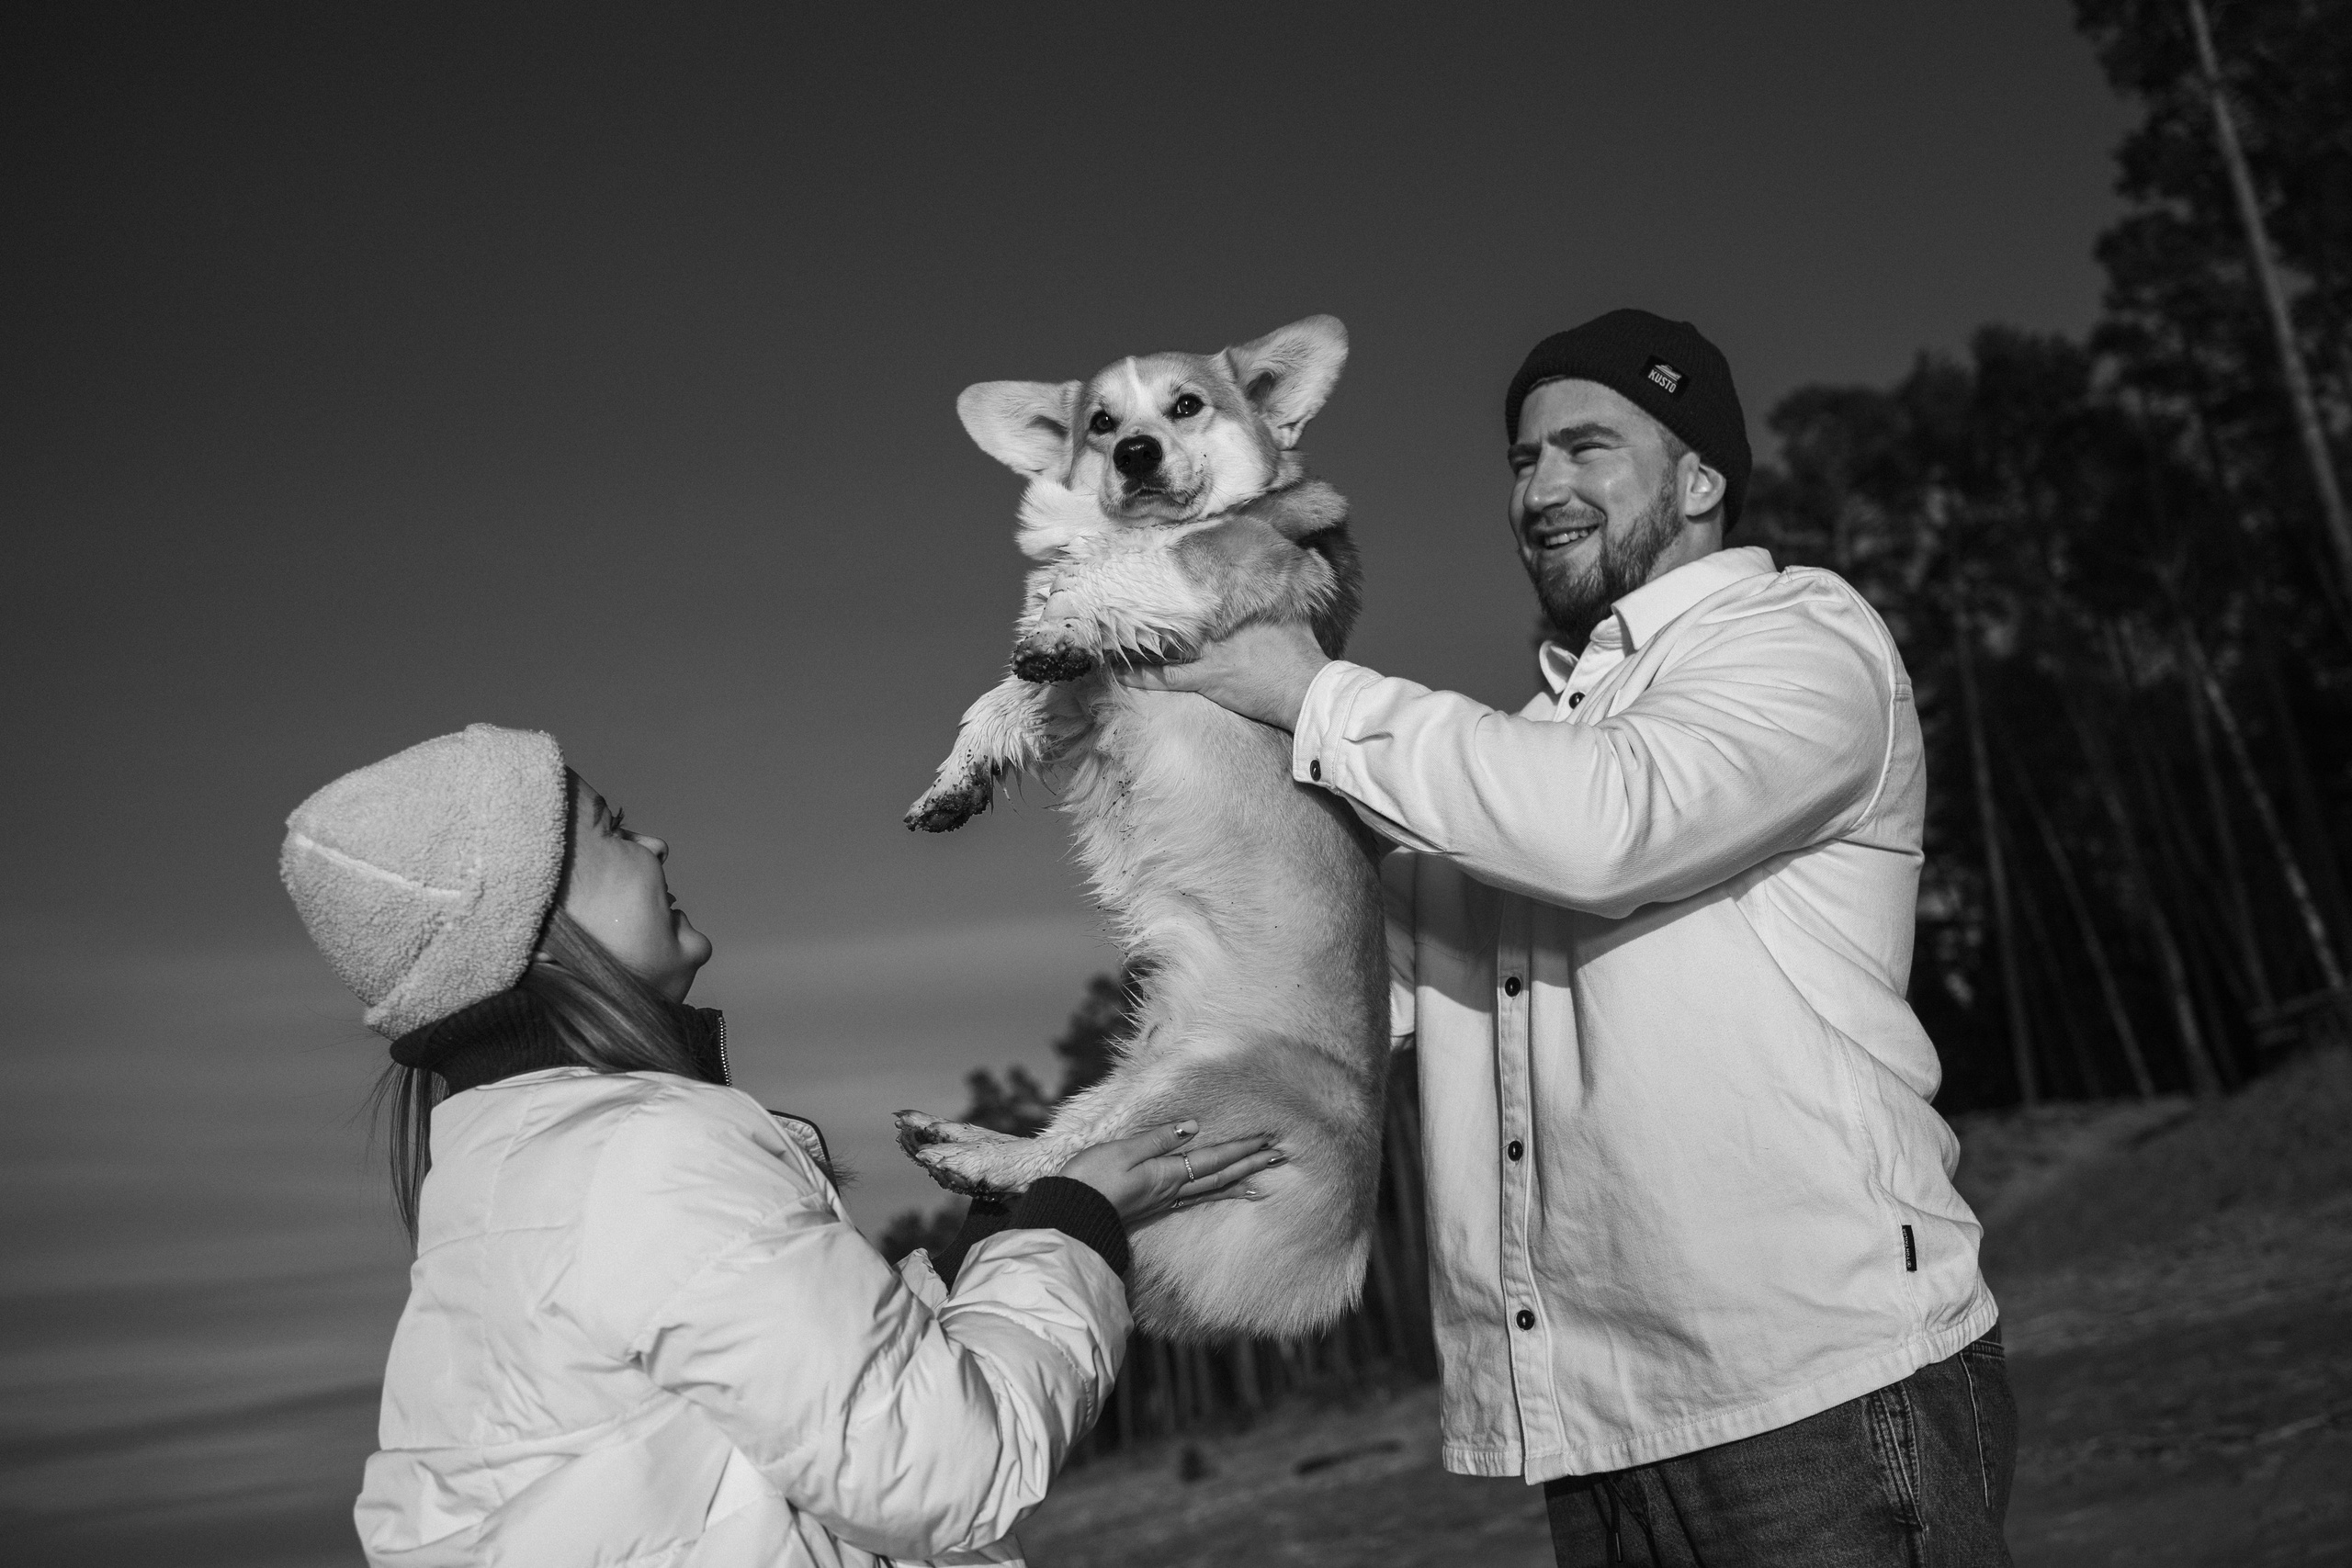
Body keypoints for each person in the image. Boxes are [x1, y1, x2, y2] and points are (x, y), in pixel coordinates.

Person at [1127, 310, 2014, 1564]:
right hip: (1598, 1428)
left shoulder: (1802, 638)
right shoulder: (1531, 746)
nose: (1540, 489)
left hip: (1817, 1390)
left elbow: (1610, 827)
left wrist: (1308, 693)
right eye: (1523, 459)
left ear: (1699, 481)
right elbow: (1359, 971)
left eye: (1587, 447)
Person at [279, 723, 1276, 1567]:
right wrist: (1071, 1226)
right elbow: (945, 1470)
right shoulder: (642, 1155)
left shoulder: (510, 1179)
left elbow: (758, 1459)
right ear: (532, 932)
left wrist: (995, 1244)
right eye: (613, 829)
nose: (656, 843)